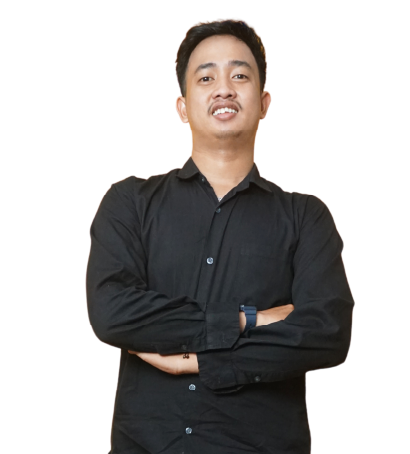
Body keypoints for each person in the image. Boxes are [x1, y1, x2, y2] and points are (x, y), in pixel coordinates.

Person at [86, 17, 355, 454]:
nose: (224, 89)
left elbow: (326, 332)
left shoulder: (306, 217)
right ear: (182, 106)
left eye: (240, 76)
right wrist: (249, 319)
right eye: (206, 78)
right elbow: (112, 311)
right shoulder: (130, 202)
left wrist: (199, 360)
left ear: (264, 102)